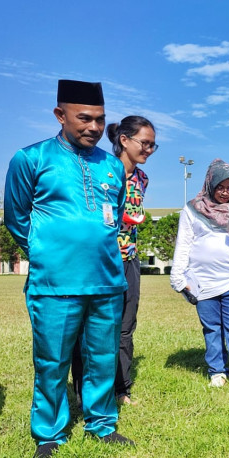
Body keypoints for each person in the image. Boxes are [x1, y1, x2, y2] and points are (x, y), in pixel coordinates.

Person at [4, 79, 135, 458]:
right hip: (54, 282)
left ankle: (102, 424)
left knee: (102, 356)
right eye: (84, 118)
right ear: (60, 115)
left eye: (100, 119)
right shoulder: (31, 159)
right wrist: (47, 253)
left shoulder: (112, 164)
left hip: (108, 280)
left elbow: (114, 217)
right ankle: (49, 433)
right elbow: (17, 217)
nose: (94, 127)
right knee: (52, 360)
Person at [71, 116, 156, 406]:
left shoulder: (143, 179)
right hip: (97, 260)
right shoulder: (102, 169)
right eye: (144, 143)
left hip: (128, 259)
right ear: (124, 140)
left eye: (153, 146)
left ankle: (121, 389)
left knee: (125, 326)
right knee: (89, 327)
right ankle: (85, 391)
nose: (148, 150)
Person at [170, 159, 229, 394]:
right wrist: (178, 277)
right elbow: (183, 244)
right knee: (212, 328)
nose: (225, 192)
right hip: (202, 281)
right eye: (221, 187)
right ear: (210, 184)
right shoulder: (192, 209)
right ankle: (217, 372)